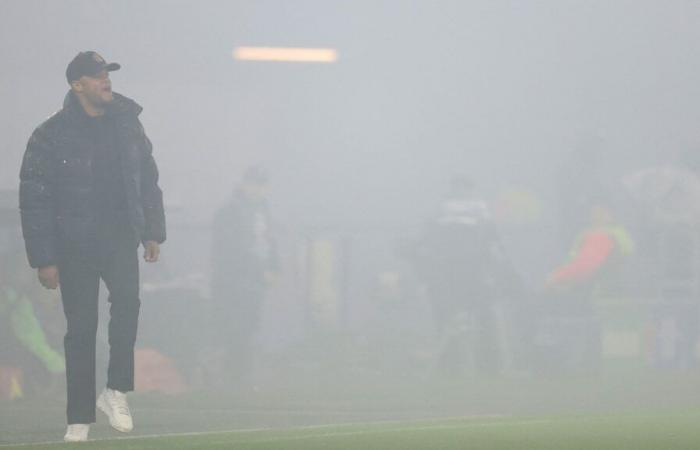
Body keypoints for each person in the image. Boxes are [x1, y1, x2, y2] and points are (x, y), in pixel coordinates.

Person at [19, 51, 166, 442]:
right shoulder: (50, 134)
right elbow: (35, 198)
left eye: (107, 74)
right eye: (96, 75)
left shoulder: (127, 124)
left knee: (129, 305)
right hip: (75, 245)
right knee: (81, 330)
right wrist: (45, 258)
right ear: (77, 84)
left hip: (120, 236)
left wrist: (153, 231)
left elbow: (148, 179)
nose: (106, 81)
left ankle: (116, 389)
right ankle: (79, 417)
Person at [210, 166, 278, 387]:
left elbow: (268, 242)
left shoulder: (263, 210)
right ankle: (235, 379)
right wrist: (262, 271)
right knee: (236, 330)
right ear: (245, 184)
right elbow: (233, 251)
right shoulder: (230, 212)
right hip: (236, 284)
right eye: (254, 184)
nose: (259, 190)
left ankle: (239, 378)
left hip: (254, 283)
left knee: (248, 329)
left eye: (262, 185)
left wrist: (275, 268)